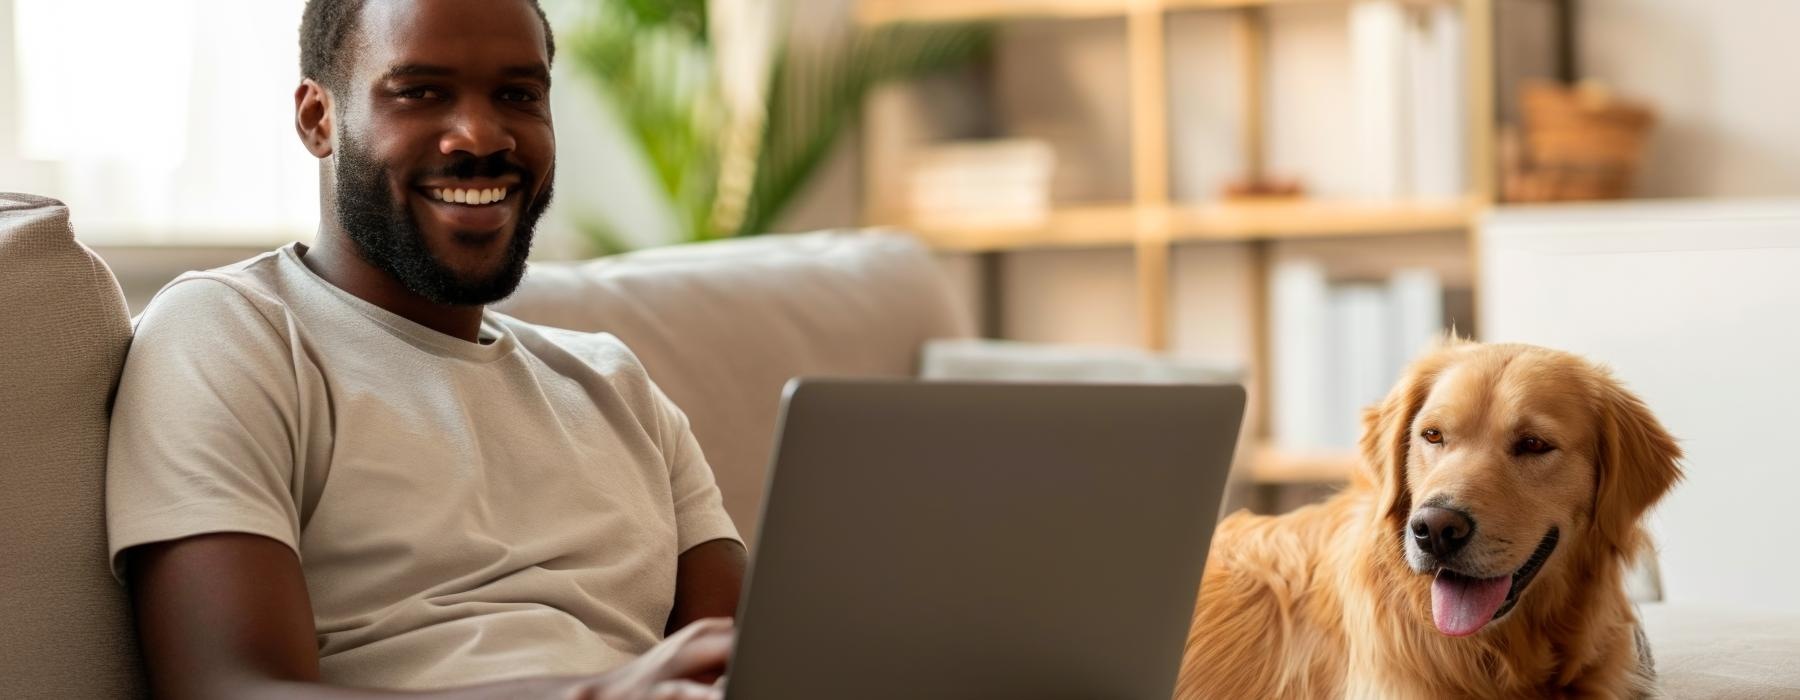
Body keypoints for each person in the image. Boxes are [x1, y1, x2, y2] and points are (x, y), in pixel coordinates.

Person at [105, 1, 747, 698]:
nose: (481, 135)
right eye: (419, 92)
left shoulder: (615, 385)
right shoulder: (231, 333)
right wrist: (593, 694)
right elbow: (228, 687)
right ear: (319, 119)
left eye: (518, 95)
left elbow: (760, 659)